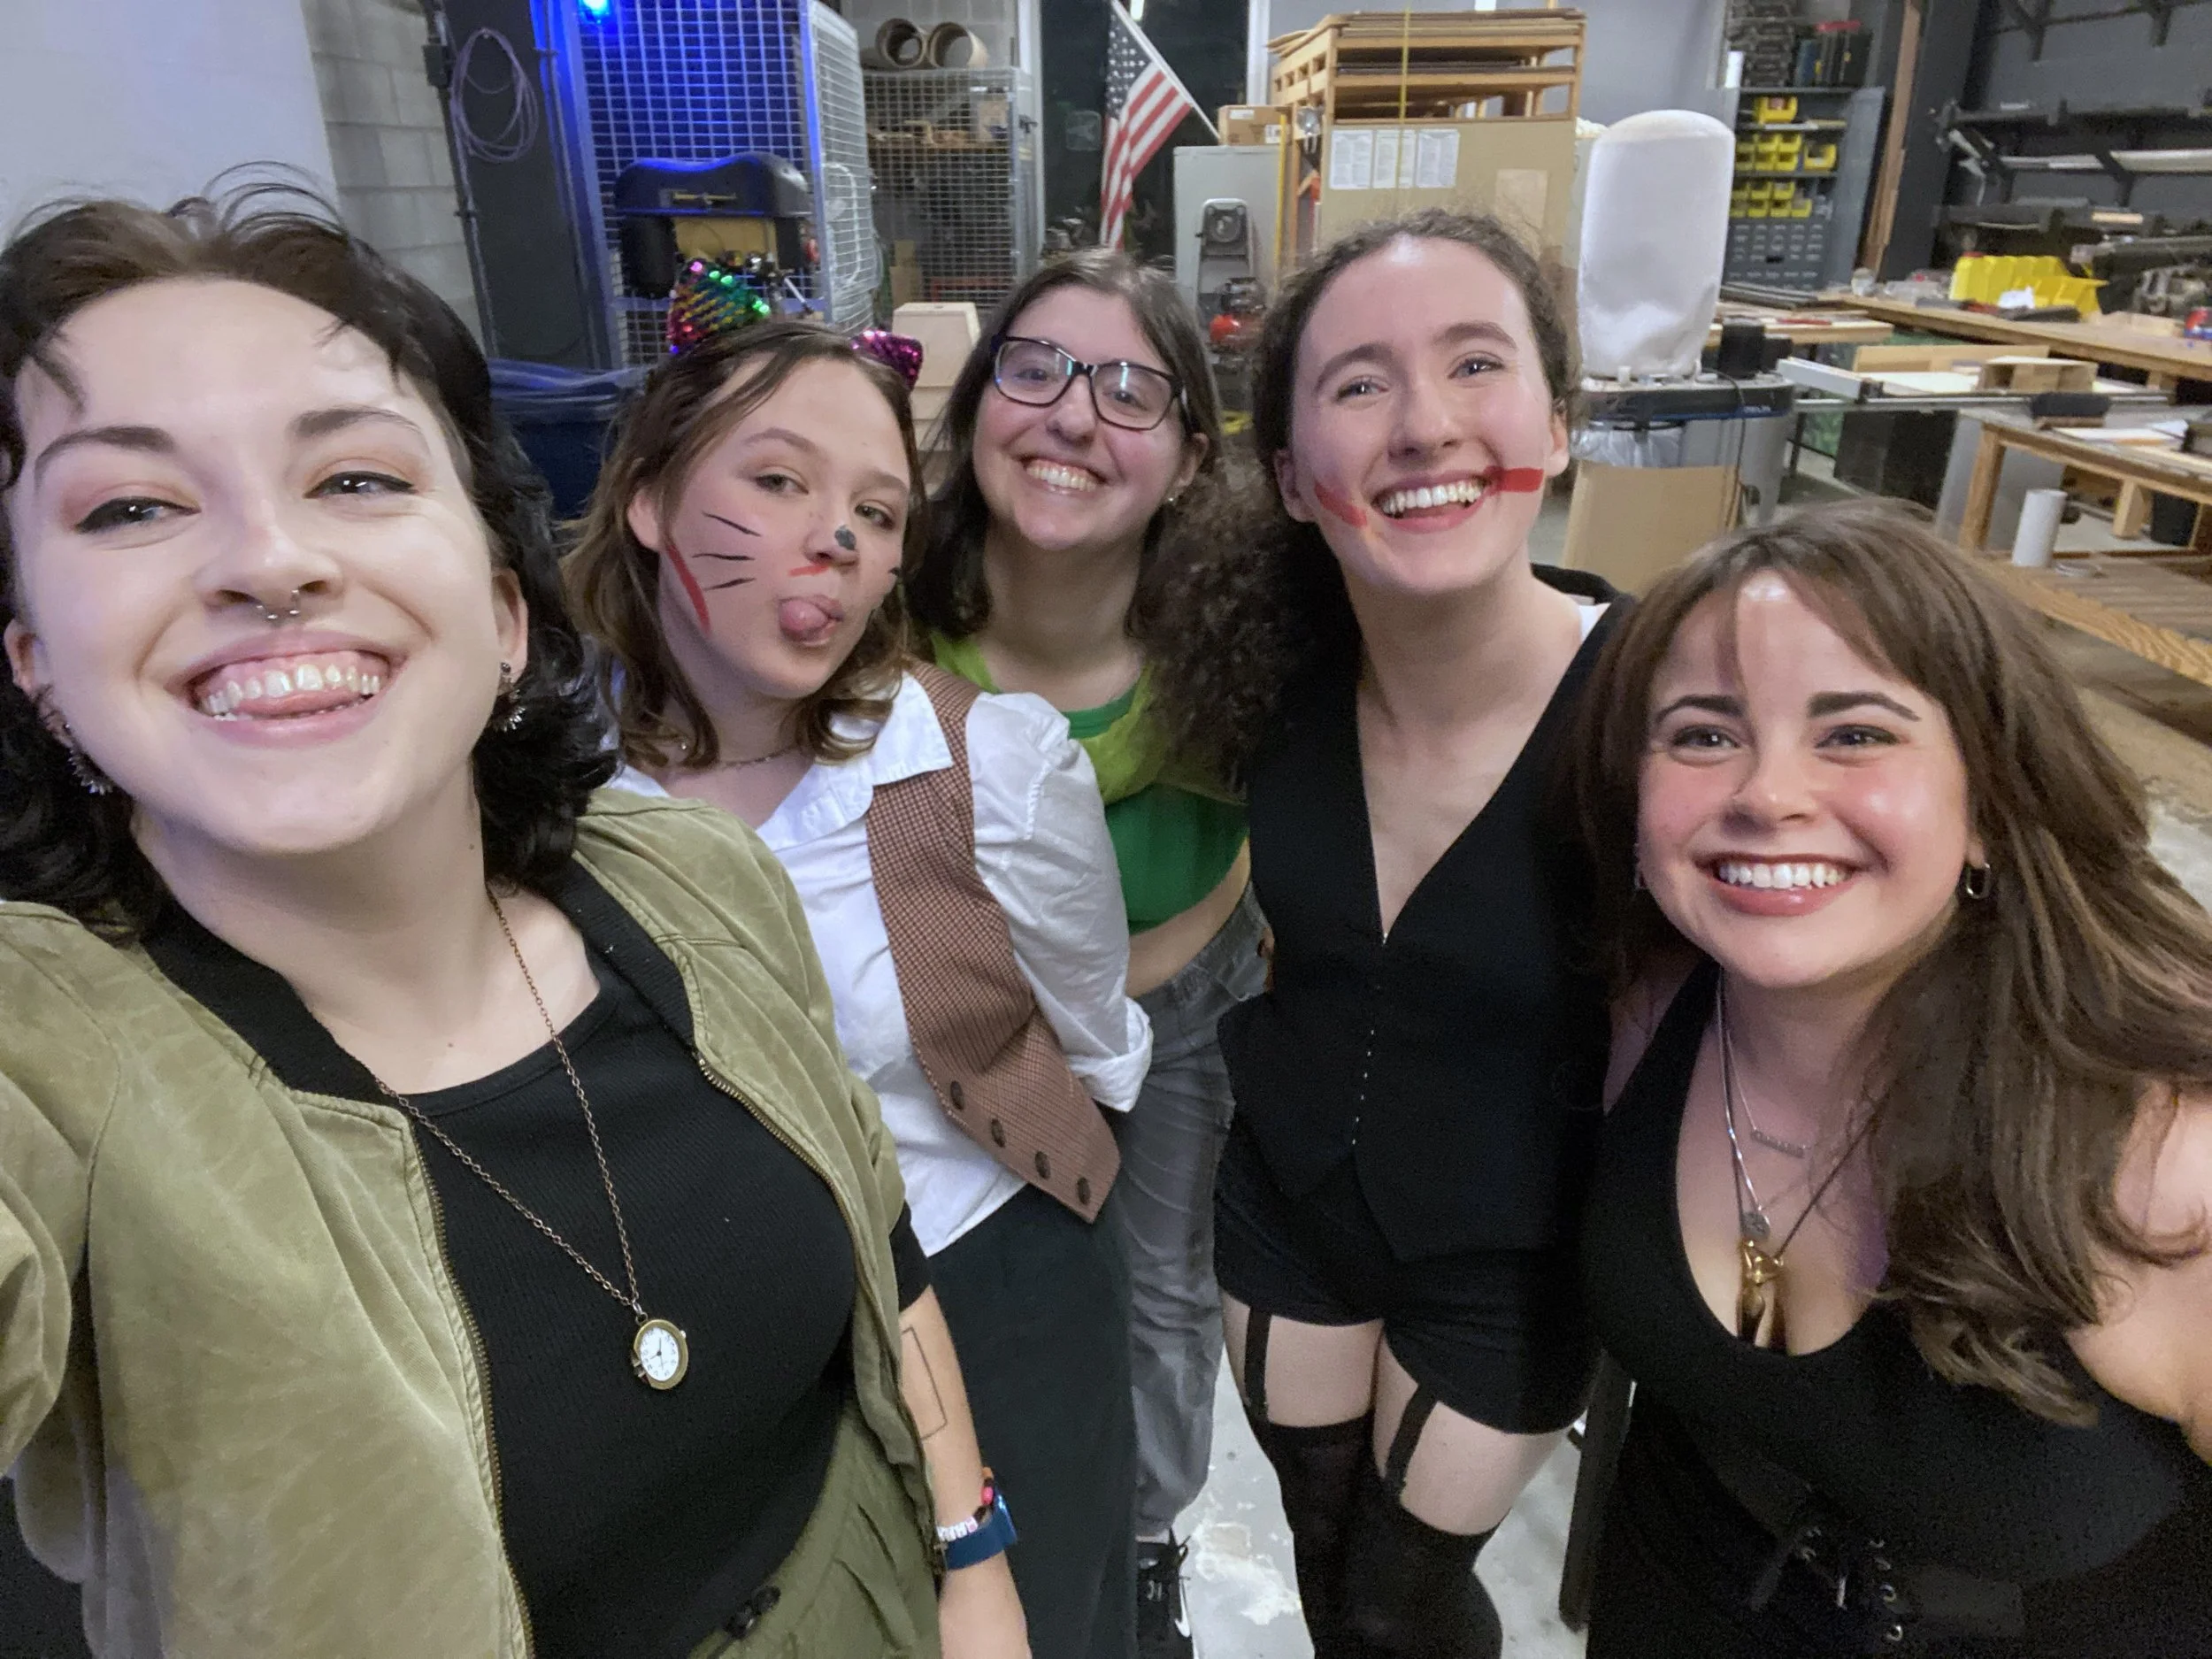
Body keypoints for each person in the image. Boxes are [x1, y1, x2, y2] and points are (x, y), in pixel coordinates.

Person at [0, 195, 1022, 1659]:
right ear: (35, 663)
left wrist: (973, 1560)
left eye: (354, 477)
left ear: (504, 612)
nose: (268, 559)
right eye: (131, 508)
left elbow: (879, 1235)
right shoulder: (53, 1064)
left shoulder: (689, 881)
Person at [569, 316, 1149, 1659]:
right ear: (650, 499)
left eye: (878, 512)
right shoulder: (545, 776)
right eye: (777, 481)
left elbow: (1091, 1036)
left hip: (988, 1279)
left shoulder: (989, 770)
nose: (836, 537)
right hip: (704, 1312)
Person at [1571, 502, 2212, 1656]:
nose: (1767, 793)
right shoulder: (1652, 1009)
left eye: (1856, 732)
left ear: (1990, 804)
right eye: (1704, 735)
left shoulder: (2163, 1154)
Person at [1144, 209, 1622, 1658]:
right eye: (1358, 383)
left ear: (1558, 418)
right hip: (1286, 1206)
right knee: (1322, 1544)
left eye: (1476, 363)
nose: (1423, 424)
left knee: (1399, 1606)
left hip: (1511, 1254)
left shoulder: (1659, 707)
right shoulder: (1270, 677)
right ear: (1293, 477)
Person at [910, 250, 1265, 1653]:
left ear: (1190, 457)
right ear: (976, 406)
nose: (1072, 412)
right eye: (1036, 367)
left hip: (1180, 1000)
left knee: (1160, 1286)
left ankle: (1143, 1542)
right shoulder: (886, 608)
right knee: (961, 1281)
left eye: (1130, 388)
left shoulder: (1243, 634)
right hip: (954, 1019)